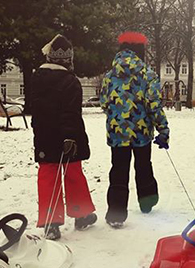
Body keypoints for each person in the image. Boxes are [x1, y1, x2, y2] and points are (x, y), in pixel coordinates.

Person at [30, 34, 97, 240]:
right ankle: (81, 214)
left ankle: (51, 223)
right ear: (69, 60)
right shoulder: (70, 81)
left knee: (48, 177)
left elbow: (36, 110)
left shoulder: (36, 79)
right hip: (69, 139)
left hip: (44, 137)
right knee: (74, 175)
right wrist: (69, 137)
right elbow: (70, 113)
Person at [99, 31, 169, 228]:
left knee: (118, 170)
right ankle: (147, 202)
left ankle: (116, 213)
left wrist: (117, 118)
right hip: (141, 132)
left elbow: (104, 103)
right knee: (143, 165)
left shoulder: (109, 76)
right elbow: (153, 105)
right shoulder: (148, 75)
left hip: (117, 133)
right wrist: (163, 129)